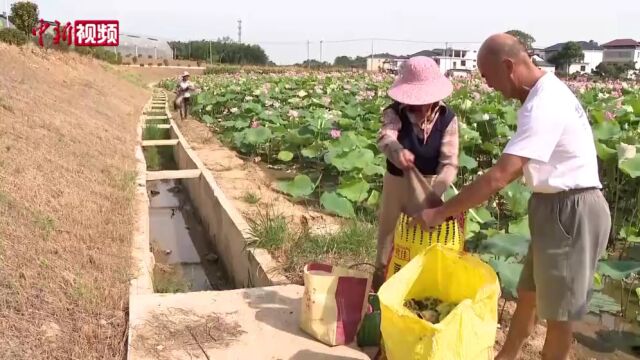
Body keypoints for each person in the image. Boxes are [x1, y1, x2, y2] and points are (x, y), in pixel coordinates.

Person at [411, 33, 611, 360]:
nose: (489, 86)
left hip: (571, 211)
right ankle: (505, 357)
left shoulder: (545, 104)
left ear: (508, 66)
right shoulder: (543, 93)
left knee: (560, 319)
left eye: (489, 78)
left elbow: (501, 176)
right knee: (529, 295)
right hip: (551, 208)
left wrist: (440, 212)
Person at [372, 56, 460, 292]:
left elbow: (450, 163)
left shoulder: (448, 119)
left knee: (422, 240)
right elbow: (385, 137)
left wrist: (436, 194)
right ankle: (379, 289)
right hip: (397, 184)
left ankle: (417, 291)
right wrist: (397, 150)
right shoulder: (394, 113)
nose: (419, 106)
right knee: (388, 240)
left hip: (430, 184)